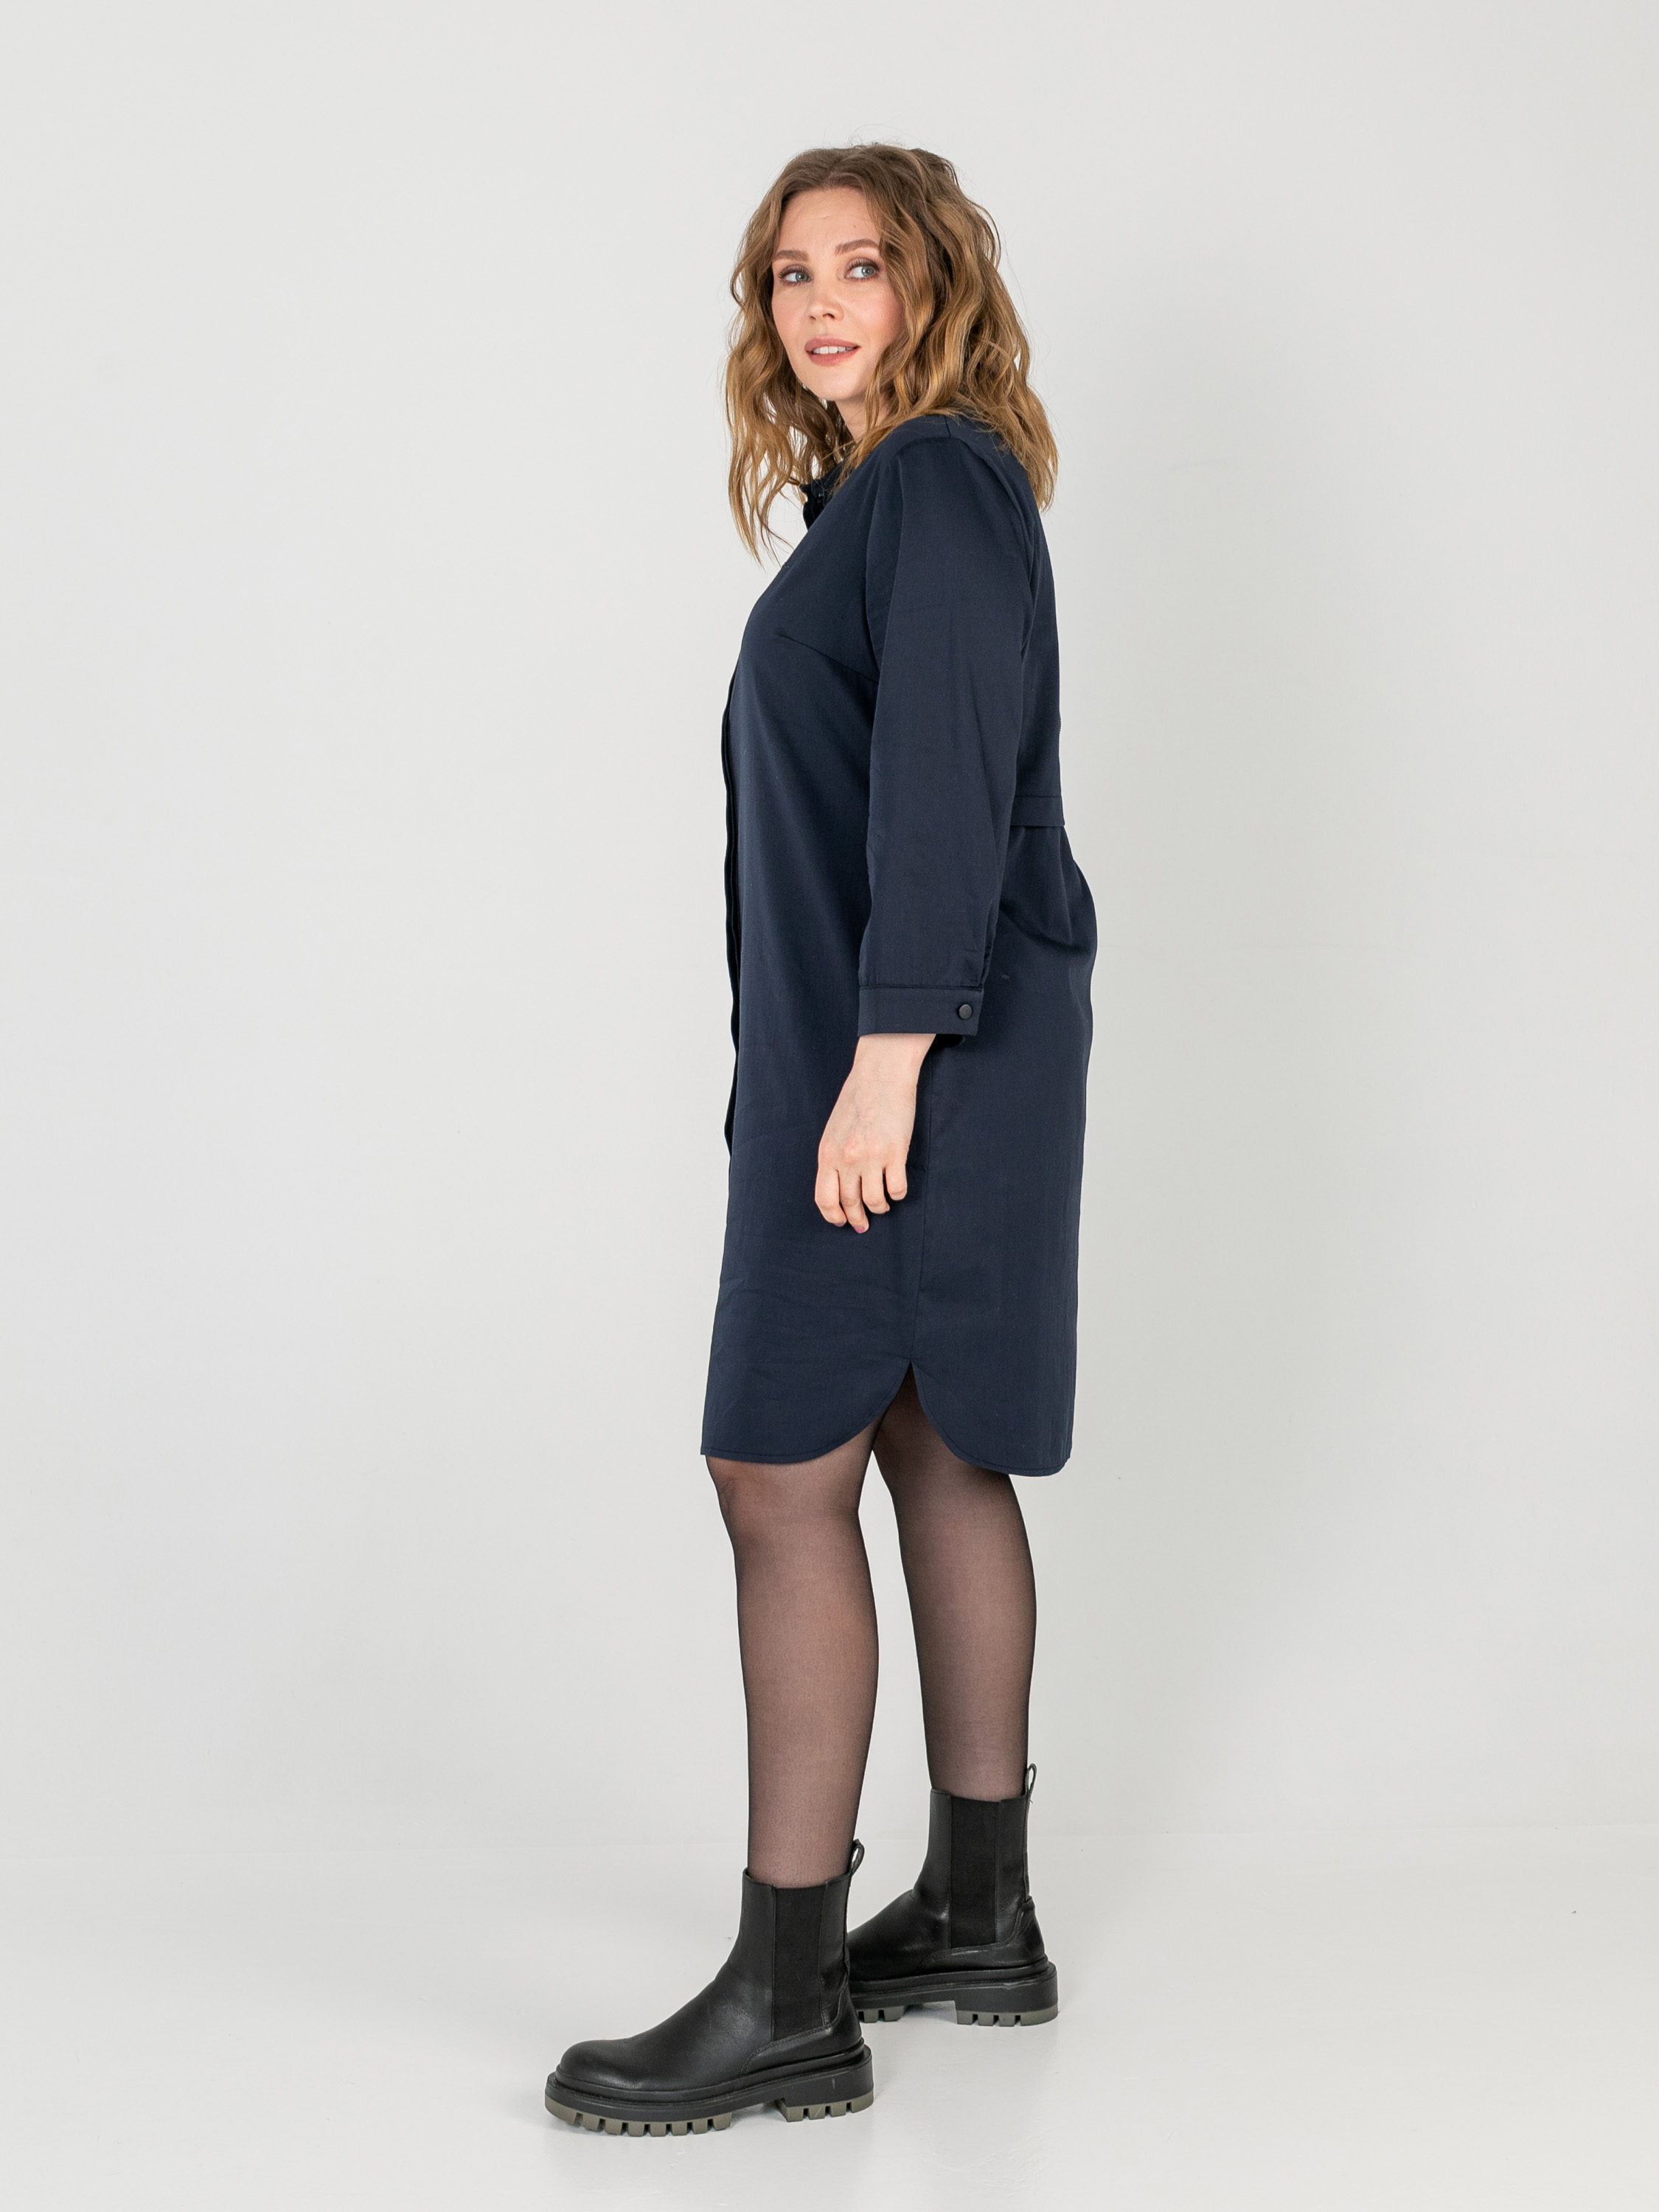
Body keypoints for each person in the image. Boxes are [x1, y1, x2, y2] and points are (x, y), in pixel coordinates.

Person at [546, 143, 1096, 2138]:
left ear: (933, 285)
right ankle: (974, 1914)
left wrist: (882, 1064)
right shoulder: (891, 499)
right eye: (791, 274)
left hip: (909, 1053)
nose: (820, 305)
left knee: (775, 1468)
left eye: (863, 266)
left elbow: (945, 791)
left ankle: (788, 1996)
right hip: (907, 1042)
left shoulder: (934, 482)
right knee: (930, 1442)